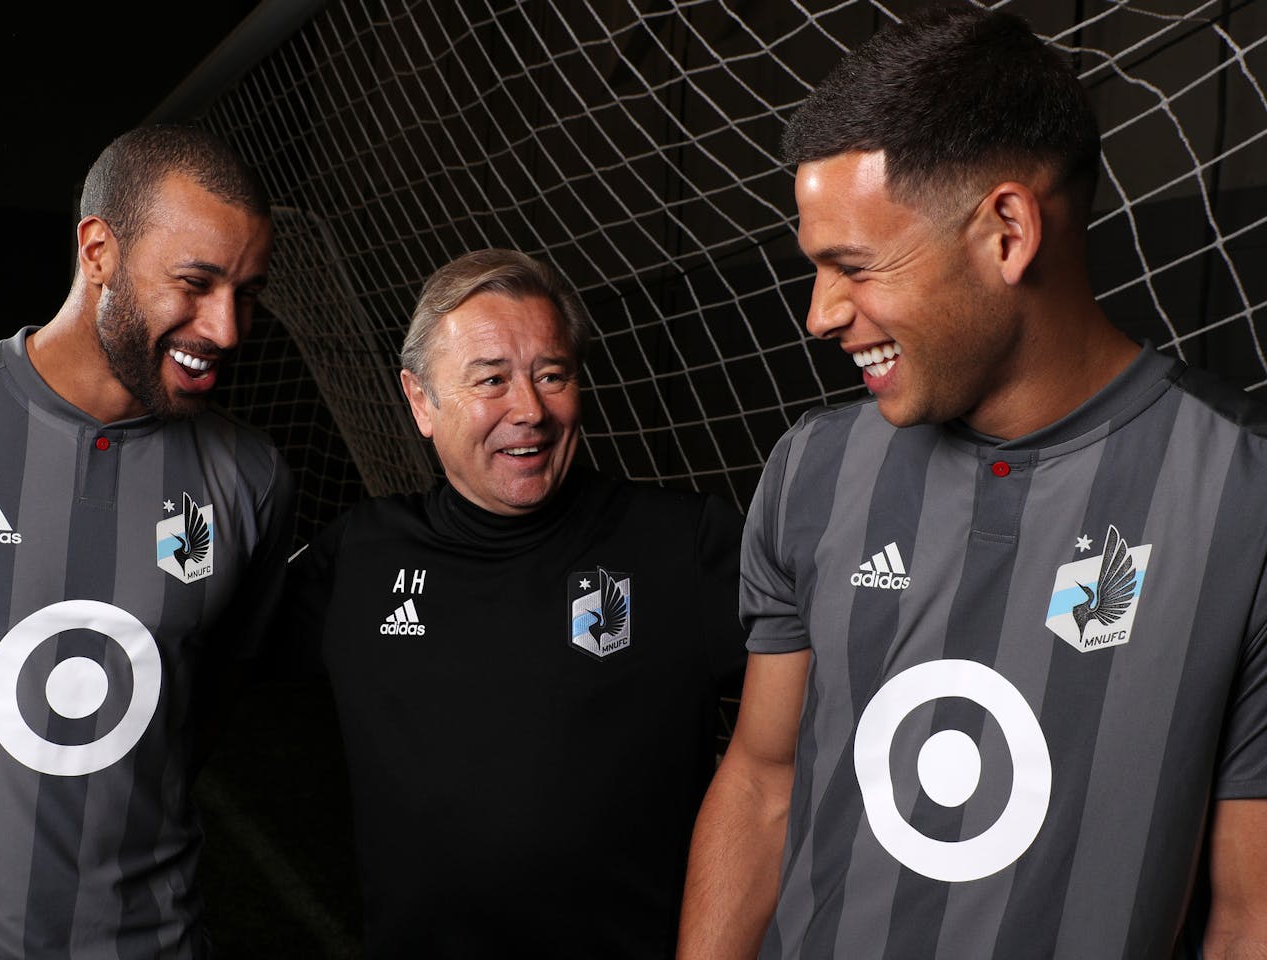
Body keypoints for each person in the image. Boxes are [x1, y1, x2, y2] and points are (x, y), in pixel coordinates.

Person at [677, 6, 1267, 959]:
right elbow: (761, 779)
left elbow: (1252, 916)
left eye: (853, 266)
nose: (819, 315)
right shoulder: (813, 471)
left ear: (1006, 232)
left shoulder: (1244, 496)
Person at [0, 124, 295, 958]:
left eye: (247, 292)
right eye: (196, 282)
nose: (226, 328)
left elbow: (202, 708)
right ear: (99, 251)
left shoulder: (252, 479)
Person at [285, 248, 747, 958]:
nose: (529, 410)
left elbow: (803, 743)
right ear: (420, 402)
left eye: (551, 375)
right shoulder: (356, 560)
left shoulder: (683, 546)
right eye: (491, 379)